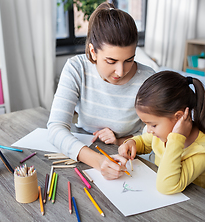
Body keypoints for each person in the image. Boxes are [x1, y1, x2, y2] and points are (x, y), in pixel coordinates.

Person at [47, 2, 155, 180]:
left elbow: (153, 134)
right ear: (93, 51)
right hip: (82, 152)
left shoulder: (147, 78)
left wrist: (123, 141)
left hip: (129, 163)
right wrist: (97, 161)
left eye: (129, 60)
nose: (121, 71)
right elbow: (56, 128)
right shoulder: (77, 67)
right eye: (111, 61)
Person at [118, 71, 205, 196]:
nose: (148, 130)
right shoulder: (160, 135)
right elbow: (143, 142)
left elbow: (167, 187)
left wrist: (176, 138)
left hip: (193, 205)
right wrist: (131, 143)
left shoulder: (203, 150)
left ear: (179, 118)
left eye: (153, 125)